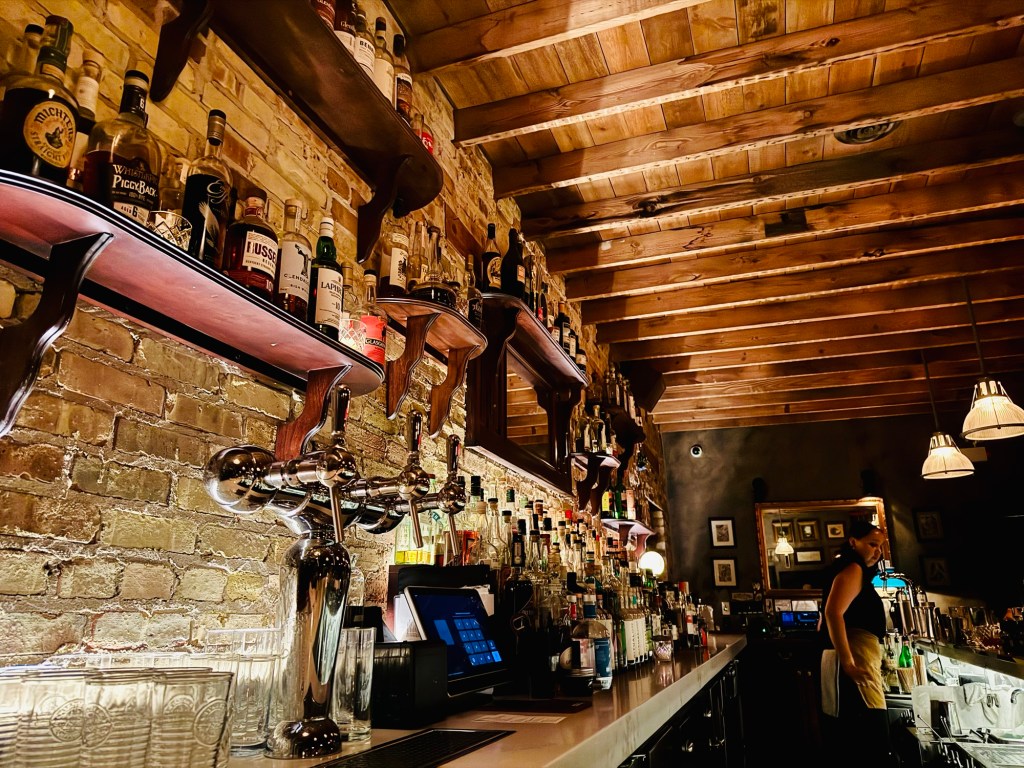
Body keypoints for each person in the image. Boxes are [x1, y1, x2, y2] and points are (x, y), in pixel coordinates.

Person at [818, 519, 895, 768]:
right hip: (856, 658)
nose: (877, 551)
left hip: (846, 658)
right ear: (853, 542)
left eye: (880, 546)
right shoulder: (854, 569)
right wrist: (849, 663)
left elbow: (823, 621)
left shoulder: (847, 568)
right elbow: (832, 613)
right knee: (872, 741)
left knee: (849, 741)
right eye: (872, 544)